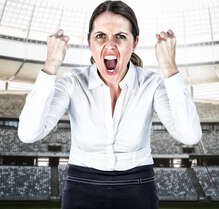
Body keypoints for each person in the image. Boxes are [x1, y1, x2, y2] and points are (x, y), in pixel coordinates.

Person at [18, 1, 201, 208]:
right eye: (100, 36)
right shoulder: (73, 82)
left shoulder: (151, 84)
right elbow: (28, 133)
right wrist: (50, 65)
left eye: (121, 36)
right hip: (81, 188)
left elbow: (190, 135)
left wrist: (169, 67)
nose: (110, 45)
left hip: (138, 188)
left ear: (135, 43)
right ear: (89, 42)